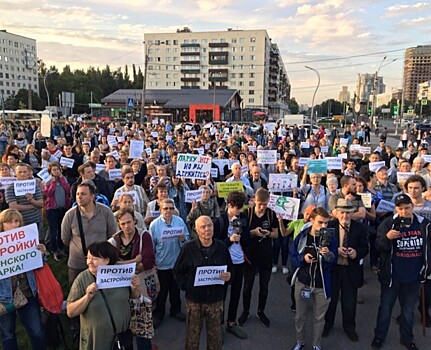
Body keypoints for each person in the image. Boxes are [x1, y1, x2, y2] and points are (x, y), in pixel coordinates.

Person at [371, 194, 431, 350]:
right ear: (395, 209)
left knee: (408, 310)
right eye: (400, 208)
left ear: (412, 207)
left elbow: (428, 250)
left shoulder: (423, 224)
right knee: (385, 308)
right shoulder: (388, 223)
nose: (404, 211)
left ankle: (407, 338)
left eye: (407, 208)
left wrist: (426, 270)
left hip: (413, 276)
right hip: (392, 276)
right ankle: (379, 337)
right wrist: (387, 238)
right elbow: (378, 247)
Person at [66, 241, 141, 350]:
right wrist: (87, 297)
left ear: (107, 260)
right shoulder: (82, 279)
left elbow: (135, 298)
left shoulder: (122, 273)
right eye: (88, 258)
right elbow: (70, 312)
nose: (90, 262)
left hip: (122, 339)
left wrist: (135, 288)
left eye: (95, 259)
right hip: (96, 342)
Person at [173, 216, 233, 350]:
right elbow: (177, 272)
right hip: (194, 301)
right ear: (196, 230)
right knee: (192, 339)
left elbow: (230, 269)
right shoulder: (188, 249)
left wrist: (229, 276)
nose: (207, 229)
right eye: (203, 227)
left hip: (216, 301)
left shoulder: (222, 247)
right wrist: (187, 286)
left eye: (210, 226)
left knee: (215, 338)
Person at [290, 207, 338, 350]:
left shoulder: (331, 240)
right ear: (311, 220)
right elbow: (292, 258)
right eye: (320, 222)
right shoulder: (302, 237)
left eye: (326, 223)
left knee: (319, 318)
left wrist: (328, 255)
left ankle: (317, 344)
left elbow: (333, 263)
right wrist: (303, 258)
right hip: (303, 282)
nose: (324, 226)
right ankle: (300, 341)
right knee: (300, 316)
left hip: (322, 284)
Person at [322, 199, 369, 342]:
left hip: (350, 269)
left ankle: (349, 327)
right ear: (336, 213)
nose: (345, 216)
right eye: (342, 212)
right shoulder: (330, 226)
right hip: (334, 269)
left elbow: (365, 248)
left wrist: (356, 253)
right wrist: (335, 250)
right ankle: (327, 324)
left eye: (348, 213)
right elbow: (322, 246)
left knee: (349, 302)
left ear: (352, 213)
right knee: (331, 299)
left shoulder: (360, 228)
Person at [109, 207, 155, 350]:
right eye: (123, 224)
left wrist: (122, 265)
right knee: (124, 324)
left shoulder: (144, 236)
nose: (126, 227)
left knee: (142, 325)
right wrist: (135, 260)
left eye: (129, 222)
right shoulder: (114, 240)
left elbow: (148, 262)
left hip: (141, 286)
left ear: (135, 221)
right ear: (118, 224)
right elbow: (110, 265)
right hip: (121, 289)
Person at [0, 209, 47, 350]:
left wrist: (42, 253)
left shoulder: (28, 240)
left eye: (17, 221)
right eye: (9, 222)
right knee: (8, 335)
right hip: (3, 298)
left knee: (37, 331)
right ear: (2, 224)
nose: (14, 225)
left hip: (27, 292)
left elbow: (39, 265)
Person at [61, 180, 118, 287]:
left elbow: (112, 235)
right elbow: (65, 238)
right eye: (77, 194)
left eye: (83, 194)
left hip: (101, 263)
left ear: (92, 196)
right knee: (76, 295)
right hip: (77, 263)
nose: (79, 197)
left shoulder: (106, 212)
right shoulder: (70, 214)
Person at [238, 188, 278, 328]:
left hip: (266, 255)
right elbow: (240, 234)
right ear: (254, 200)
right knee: (247, 286)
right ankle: (246, 311)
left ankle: (261, 311)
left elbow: (276, 234)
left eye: (265, 204)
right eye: (260, 204)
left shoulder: (271, 214)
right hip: (250, 255)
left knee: (264, 286)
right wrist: (253, 232)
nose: (262, 207)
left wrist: (268, 233)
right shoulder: (246, 213)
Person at [213, 191, 250, 339]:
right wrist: (230, 239)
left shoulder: (243, 218)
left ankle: (231, 322)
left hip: (240, 261)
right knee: (221, 295)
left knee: (236, 293)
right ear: (229, 205)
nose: (239, 210)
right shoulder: (219, 221)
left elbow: (247, 239)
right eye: (237, 207)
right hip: (225, 263)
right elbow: (215, 244)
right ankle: (219, 325)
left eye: (241, 207)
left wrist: (240, 231)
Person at [149, 198, 189, 328]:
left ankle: (175, 311)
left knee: (175, 289)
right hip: (162, 263)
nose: (168, 211)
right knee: (161, 291)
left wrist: (183, 239)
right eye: (166, 208)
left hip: (177, 263)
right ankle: (159, 314)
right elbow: (152, 245)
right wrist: (153, 264)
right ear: (160, 209)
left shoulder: (179, 221)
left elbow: (187, 240)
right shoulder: (154, 225)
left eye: (171, 208)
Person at [43, 161, 71, 261]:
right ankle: (54, 250)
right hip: (52, 209)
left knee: (61, 230)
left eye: (58, 169)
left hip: (62, 208)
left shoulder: (64, 179)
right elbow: (48, 194)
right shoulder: (47, 182)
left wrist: (62, 180)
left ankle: (61, 248)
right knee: (53, 231)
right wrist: (53, 183)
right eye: (54, 170)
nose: (56, 171)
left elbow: (68, 191)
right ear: (50, 171)